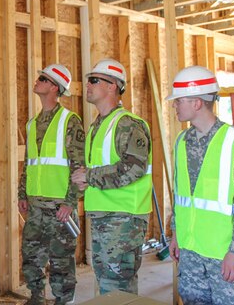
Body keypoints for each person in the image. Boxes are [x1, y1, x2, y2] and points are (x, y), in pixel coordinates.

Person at [166, 66, 234, 305]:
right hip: (191, 257)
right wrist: (176, 234)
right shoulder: (182, 141)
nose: (174, 105)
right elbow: (181, 196)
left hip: (225, 258)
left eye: (179, 101)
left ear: (197, 103)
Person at [71, 58, 152, 295]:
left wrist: (90, 176)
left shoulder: (127, 124)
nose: (88, 84)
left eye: (94, 80)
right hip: (106, 218)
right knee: (108, 286)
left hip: (124, 220)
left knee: (118, 289)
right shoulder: (98, 125)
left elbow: (134, 168)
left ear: (112, 86)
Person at [18, 64, 85, 305]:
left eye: (42, 78)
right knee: (31, 257)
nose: (37, 81)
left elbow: (80, 167)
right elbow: (29, 162)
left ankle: (63, 300)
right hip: (35, 207)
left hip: (59, 209)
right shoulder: (32, 123)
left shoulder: (70, 121)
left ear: (54, 87)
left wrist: (70, 202)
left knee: (61, 261)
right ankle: (36, 297)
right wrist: (22, 194)